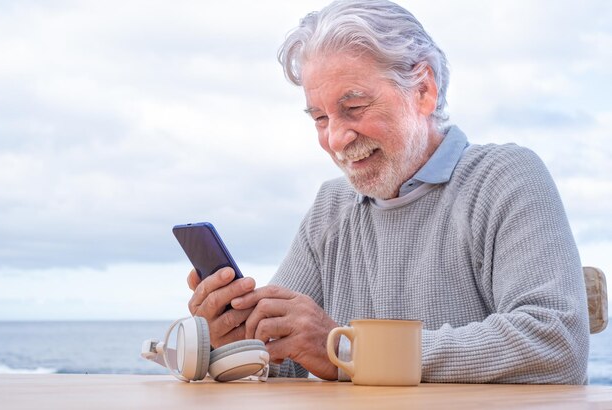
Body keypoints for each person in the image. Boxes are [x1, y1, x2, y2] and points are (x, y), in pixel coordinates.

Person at [187, 0, 589, 384]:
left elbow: (555, 343)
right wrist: (237, 343)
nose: (337, 139)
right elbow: (288, 355)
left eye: (355, 107)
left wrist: (349, 351)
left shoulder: (505, 177)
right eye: (321, 118)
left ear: (423, 91)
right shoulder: (331, 208)